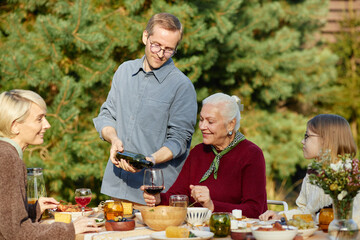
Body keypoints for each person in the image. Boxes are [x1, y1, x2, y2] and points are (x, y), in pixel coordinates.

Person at [93, 13, 197, 205]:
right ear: (144, 37)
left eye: (169, 50)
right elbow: (107, 115)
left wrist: (149, 160)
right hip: (116, 186)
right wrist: (114, 139)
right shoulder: (124, 71)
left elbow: (179, 140)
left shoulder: (182, 86)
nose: (160, 53)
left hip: (153, 194)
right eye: (156, 45)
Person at [142, 93, 267, 218]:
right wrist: (158, 199)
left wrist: (211, 206)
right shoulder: (198, 152)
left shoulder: (251, 154)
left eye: (210, 121)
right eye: (201, 119)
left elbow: (254, 210)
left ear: (230, 124)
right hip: (198, 230)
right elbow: (177, 196)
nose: (202, 126)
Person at [0, 89, 98, 240]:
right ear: (15, 126)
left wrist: (33, 210)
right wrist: (69, 229)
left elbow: (5, 220)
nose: (47, 125)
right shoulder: (7, 158)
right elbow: (16, 233)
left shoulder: (6, 153)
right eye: (39, 119)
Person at [259, 114, 360, 225]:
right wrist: (281, 216)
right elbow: (305, 211)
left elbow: (356, 216)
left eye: (307, 136)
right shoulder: (313, 172)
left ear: (325, 140)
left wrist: (320, 218)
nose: (302, 141)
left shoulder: (351, 175)